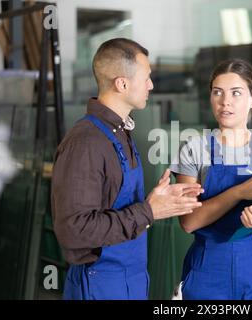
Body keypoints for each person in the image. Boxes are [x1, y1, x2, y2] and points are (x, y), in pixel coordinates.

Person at [51, 38, 203, 300]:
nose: (151, 85)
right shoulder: (86, 142)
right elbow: (74, 230)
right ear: (122, 84)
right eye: (146, 77)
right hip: (99, 285)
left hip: (130, 281)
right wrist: (148, 211)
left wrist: (157, 203)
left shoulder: (119, 133)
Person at [170, 58, 252, 300]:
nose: (225, 101)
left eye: (236, 93)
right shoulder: (194, 149)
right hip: (208, 274)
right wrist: (240, 192)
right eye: (217, 92)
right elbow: (189, 222)